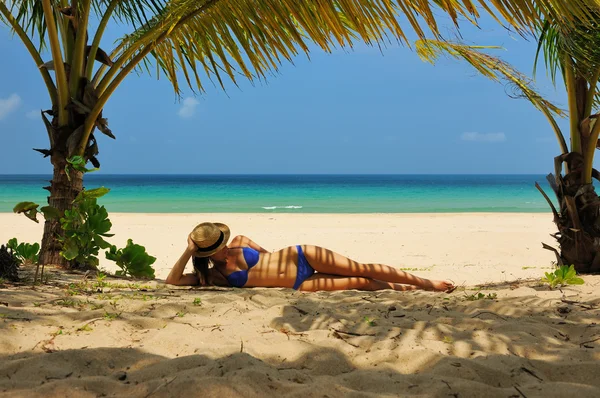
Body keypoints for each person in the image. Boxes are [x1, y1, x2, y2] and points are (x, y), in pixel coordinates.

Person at [166, 222, 455, 292]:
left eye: (223, 242)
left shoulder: (240, 242)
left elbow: (270, 255)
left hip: (301, 257)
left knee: (362, 268)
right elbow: (173, 281)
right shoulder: (212, 276)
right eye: (218, 246)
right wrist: (188, 251)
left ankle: (427, 283)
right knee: (363, 283)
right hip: (298, 287)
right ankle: (407, 288)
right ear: (207, 252)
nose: (225, 246)